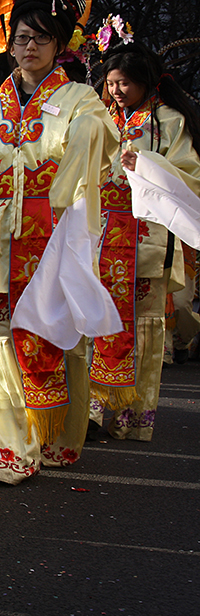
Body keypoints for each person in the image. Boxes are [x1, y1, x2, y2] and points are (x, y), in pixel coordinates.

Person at [0, 0, 119, 484]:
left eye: (39, 38)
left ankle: (54, 436)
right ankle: (6, 444)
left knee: (52, 328)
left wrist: (77, 149)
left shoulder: (81, 98)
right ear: (9, 43)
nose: (28, 46)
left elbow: (100, 135)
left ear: (59, 46)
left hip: (53, 230)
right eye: (21, 38)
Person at [88, 40, 200, 442]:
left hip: (146, 234)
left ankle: (129, 416)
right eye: (112, 83)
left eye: (125, 84)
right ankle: (94, 410)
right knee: (97, 319)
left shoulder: (168, 120)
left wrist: (151, 164)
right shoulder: (101, 116)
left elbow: (190, 174)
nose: (116, 91)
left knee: (141, 327)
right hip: (100, 230)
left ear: (145, 83)